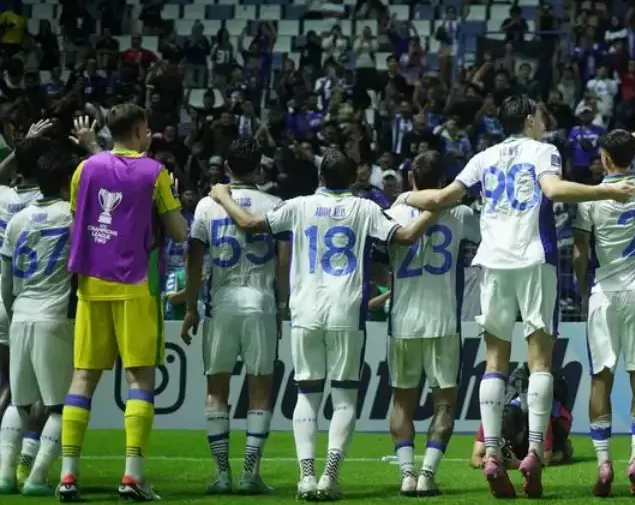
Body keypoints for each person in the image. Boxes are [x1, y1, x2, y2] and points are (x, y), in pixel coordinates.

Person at [399, 96, 635, 498]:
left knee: (494, 362)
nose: (544, 124)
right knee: (539, 360)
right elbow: (554, 190)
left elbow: (439, 199)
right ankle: (531, 451)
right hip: (533, 260)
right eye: (541, 117)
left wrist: (406, 199)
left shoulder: (483, 157)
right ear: (529, 120)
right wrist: (605, 192)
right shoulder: (543, 151)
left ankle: (491, 452)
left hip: (491, 263)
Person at [206, 149, 435, 501]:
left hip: (306, 310)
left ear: (322, 178)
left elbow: (250, 224)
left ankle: (307, 477)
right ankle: (330, 476)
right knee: (344, 398)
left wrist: (222, 195)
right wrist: (434, 208)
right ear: (352, 179)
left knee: (307, 396)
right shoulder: (365, 208)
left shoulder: (299, 205)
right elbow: (403, 237)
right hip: (346, 310)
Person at [59, 104, 191, 502]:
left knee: (83, 377)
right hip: (135, 284)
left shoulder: (86, 169)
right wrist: (174, 202)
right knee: (139, 379)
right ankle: (132, 477)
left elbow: (77, 218)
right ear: (138, 130)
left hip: (90, 284)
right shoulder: (155, 173)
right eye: (147, 129)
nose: (149, 134)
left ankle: (67, 476)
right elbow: (180, 232)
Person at [180, 138, 287, 495]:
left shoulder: (207, 207)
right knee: (260, 390)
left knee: (216, 389)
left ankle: (222, 474)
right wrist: (282, 306)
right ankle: (249, 474)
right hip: (261, 304)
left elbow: (194, 259)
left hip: (220, 305)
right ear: (259, 168)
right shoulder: (275, 205)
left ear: (226, 166)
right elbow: (284, 263)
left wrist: (191, 307)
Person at [571, 130, 635, 496]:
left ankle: (604, 461)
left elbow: (579, 253)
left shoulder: (591, 198)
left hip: (605, 293)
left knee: (601, 379)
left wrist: (580, 287)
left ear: (606, 159)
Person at [384, 151, 480, 496]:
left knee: (401, 403)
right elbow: (483, 238)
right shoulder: (462, 214)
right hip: (444, 320)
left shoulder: (393, 211)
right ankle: (427, 475)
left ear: (411, 179)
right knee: (444, 404)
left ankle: (407, 475)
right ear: (443, 182)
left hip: (403, 321)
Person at [0, 150, 78, 495]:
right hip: (53, 315)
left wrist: (13, 308)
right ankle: (37, 478)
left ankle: (4, 476)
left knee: (19, 401)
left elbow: (4, 277)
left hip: (20, 314)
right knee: (59, 404)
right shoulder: (72, 217)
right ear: (65, 182)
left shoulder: (17, 220)